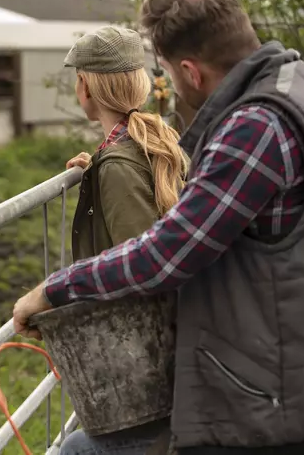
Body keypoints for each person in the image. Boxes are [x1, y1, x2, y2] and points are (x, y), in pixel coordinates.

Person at [13, 0, 304, 455]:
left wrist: (52, 290)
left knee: (79, 450)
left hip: (281, 413)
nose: (171, 87)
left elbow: (164, 254)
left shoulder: (256, 127)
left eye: (168, 72)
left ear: (190, 69)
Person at [57, 25, 187, 455]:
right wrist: (95, 168)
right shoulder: (147, 142)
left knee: (75, 449)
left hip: (148, 369)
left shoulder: (118, 164)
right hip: (170, 361)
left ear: (86, 87)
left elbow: (140, 261)